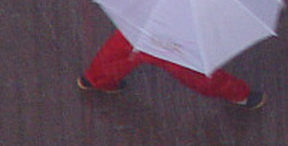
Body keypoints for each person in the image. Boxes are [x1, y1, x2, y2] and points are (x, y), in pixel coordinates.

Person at [77, 30, 265, 109]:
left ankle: (96, 79)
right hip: (174, 40)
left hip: (146, 22)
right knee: (194, 70)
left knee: (122, 47)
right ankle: (238, 94)